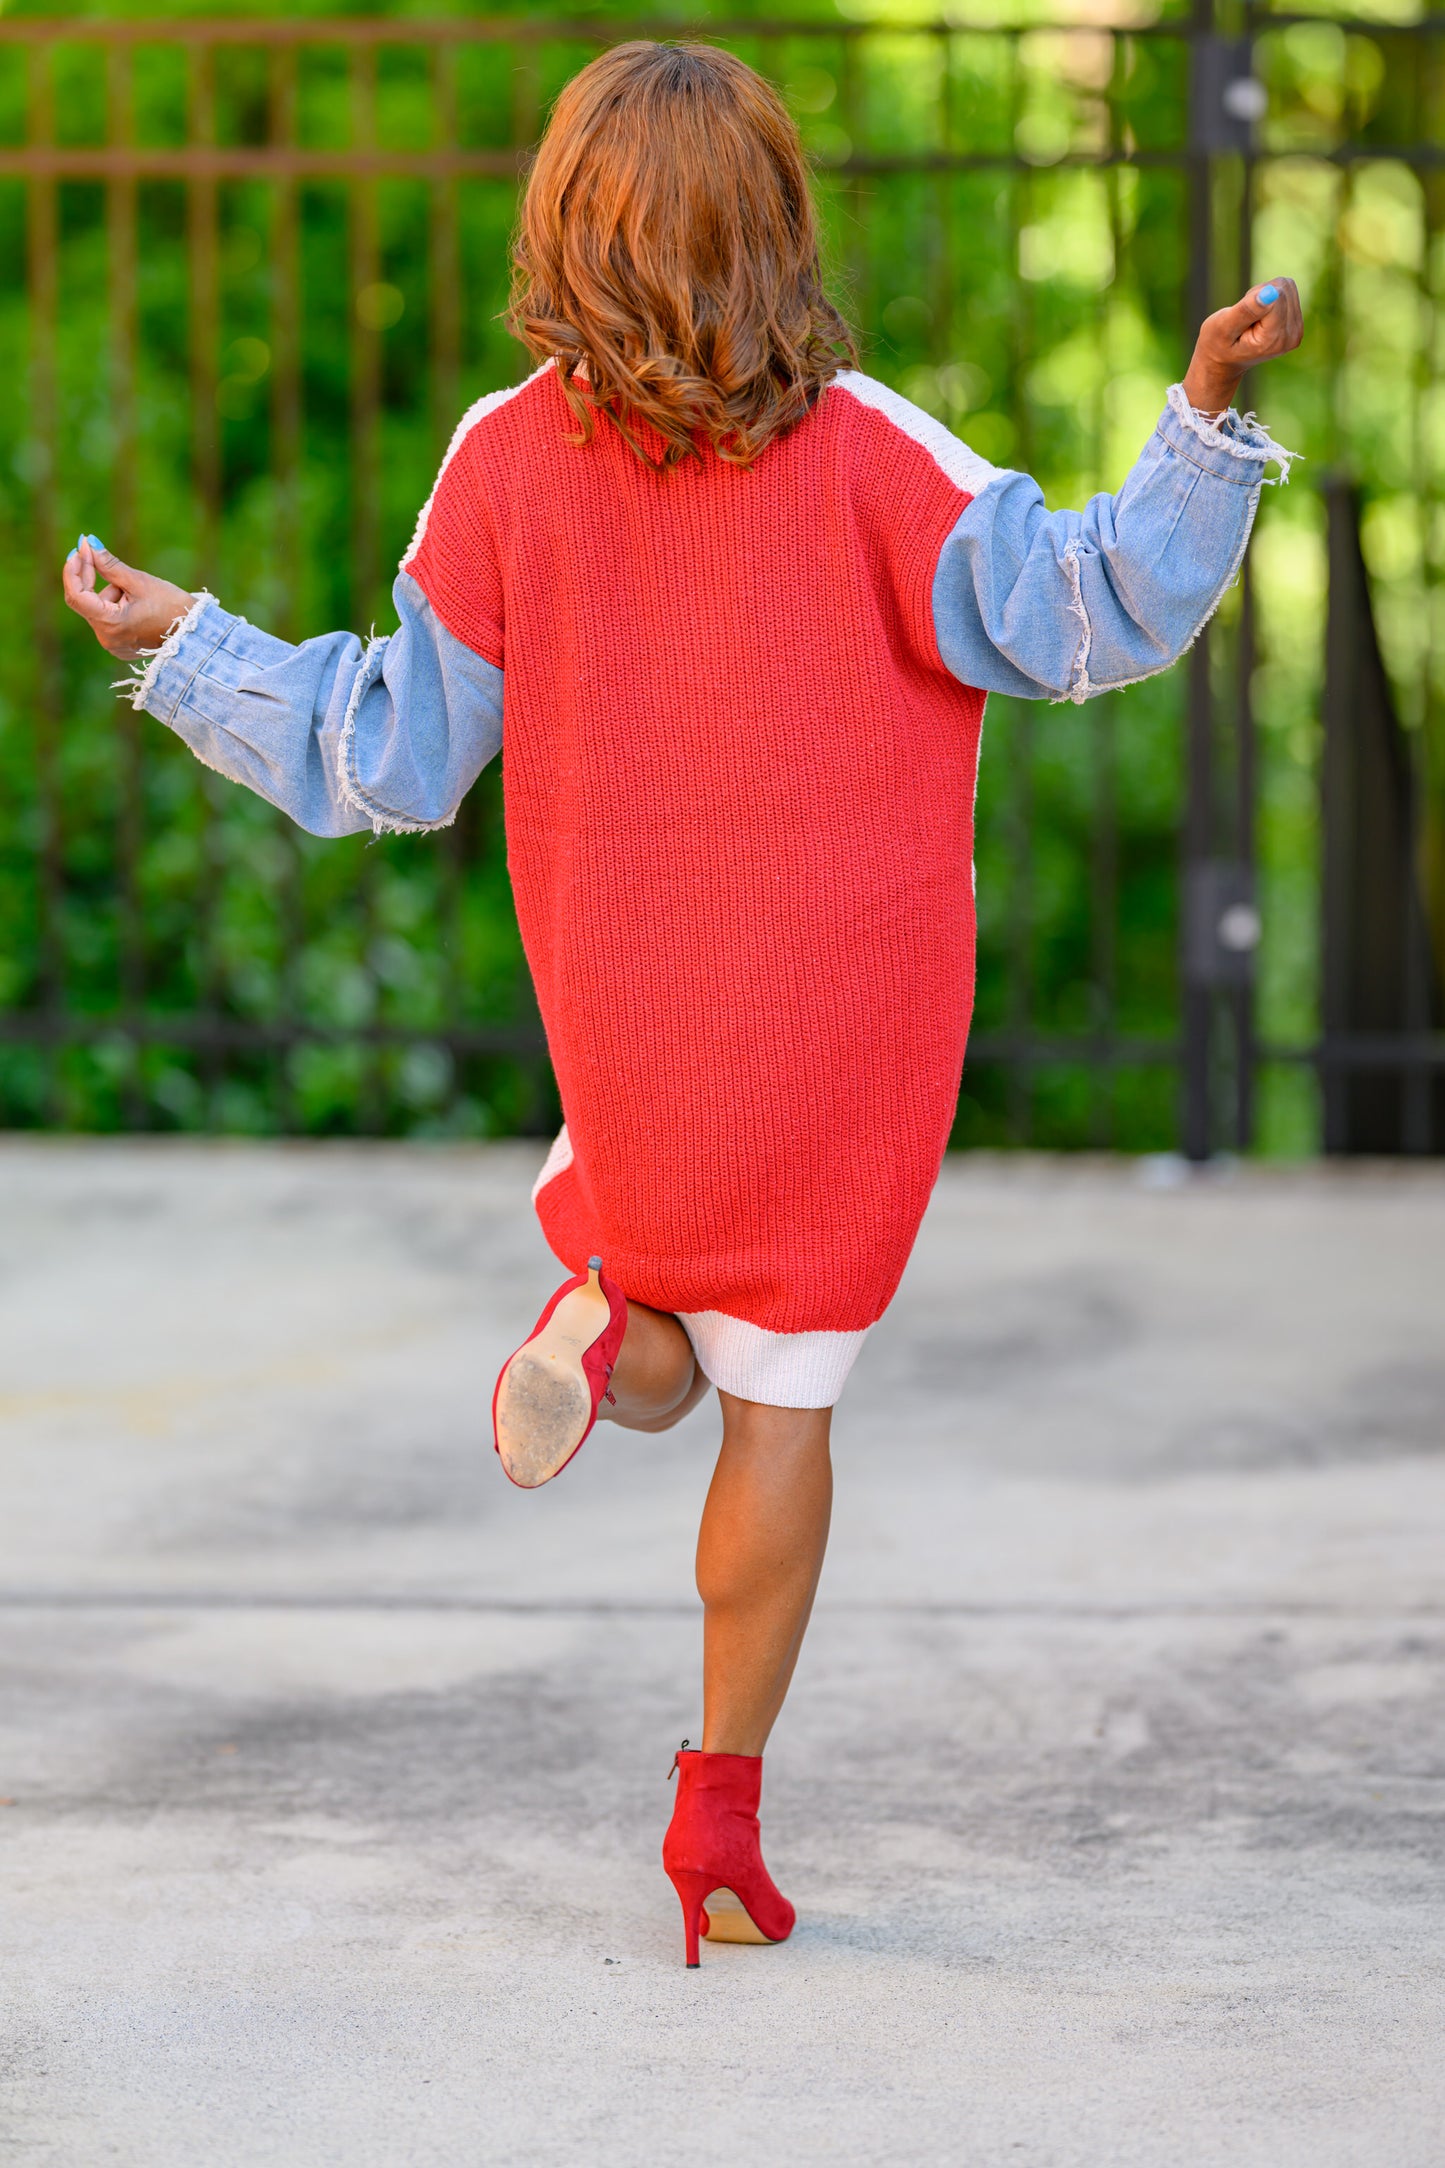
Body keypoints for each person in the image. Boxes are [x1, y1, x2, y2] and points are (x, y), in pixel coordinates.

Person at [63, 40, 1302, 1967]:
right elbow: (1091, 611)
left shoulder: (499, 464)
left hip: (640, 1059)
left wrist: (189, 646)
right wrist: (1206, 421)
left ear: (564, 232)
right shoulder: (879, 454)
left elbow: (391, 750)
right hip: (839, 1071)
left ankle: (617, 1323)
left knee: (645, 1267)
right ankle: (716, 1800)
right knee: (782, 1413)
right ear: (777, 229)